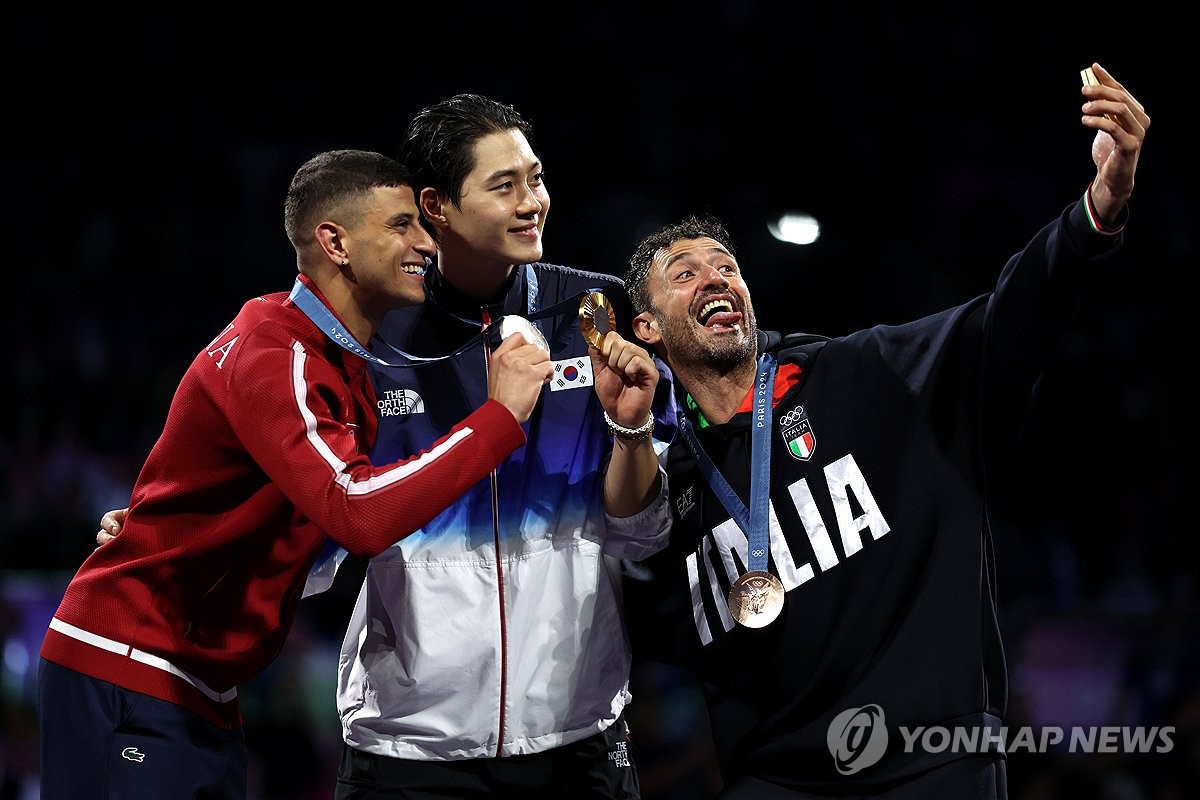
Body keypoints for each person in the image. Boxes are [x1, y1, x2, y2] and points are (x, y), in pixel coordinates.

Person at [97, 95, 677, 799]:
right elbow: (321, 539)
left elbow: (643, 534)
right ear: (436, 206)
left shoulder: (597, 312)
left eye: (537, 177)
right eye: (505, 185)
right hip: (407, 748)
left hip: (580, 738)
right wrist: (191, 536)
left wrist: (630, 429)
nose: (534, 202)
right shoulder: (371, 336)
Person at [617, 62, 1149, 799]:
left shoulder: (870, 375)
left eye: (727, 267)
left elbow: (1007, 320)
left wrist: (1096, 212)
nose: (715, 278)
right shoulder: (657, 482)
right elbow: (625, 611)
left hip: (932, 768)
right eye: (684, 273)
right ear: (647, 328)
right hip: (774, 783)